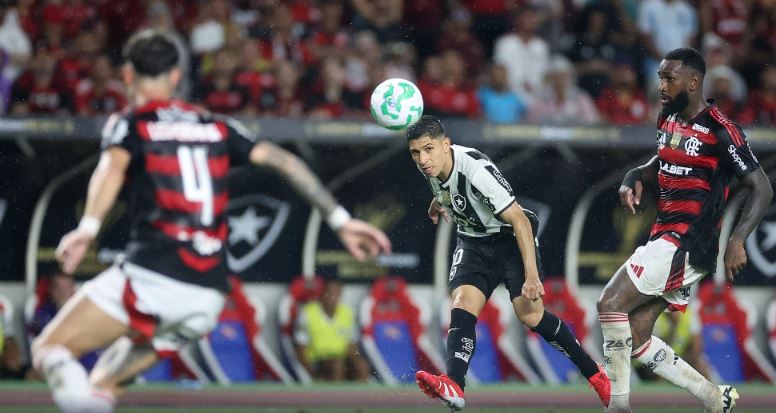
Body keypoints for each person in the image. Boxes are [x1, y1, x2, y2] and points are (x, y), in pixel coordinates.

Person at [32, 30, 391, 413]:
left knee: (49, 350)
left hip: (153, 272)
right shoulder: (215, 126)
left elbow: (111, 168)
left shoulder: (131, 123)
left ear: (126, 76)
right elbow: (285, 161)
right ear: (175, 77)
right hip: (207, 294)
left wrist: (87, 228)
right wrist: (339, 219)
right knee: (103, 384)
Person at [597, 47, 773, 413]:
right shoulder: (668, 118)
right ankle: (714, 397)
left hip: (687, 242)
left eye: (669, 78)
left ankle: (618, 405)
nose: (660, 85)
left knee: (609, 303)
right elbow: (661, 159)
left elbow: (762, 187)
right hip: (666, 237)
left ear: (693, 81)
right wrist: (635, 175)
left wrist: (738, 239)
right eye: (660, 77)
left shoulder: (721, 130)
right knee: (638, 335)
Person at [408, 115, 610, 411]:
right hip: (473, 242)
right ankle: (454, 385)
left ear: (446, 145)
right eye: (415, 152)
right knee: (462, 303)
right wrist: (439, 201)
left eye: (428, 150)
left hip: (510, 240)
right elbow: (448, 188)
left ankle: (595, 374)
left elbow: (519, 220)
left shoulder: (476, 172)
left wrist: (532, 276)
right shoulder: (431, 167)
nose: (423, 159)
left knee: (531, 317)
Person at [293, 275, 370, 382]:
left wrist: (358, 362)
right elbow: (300, 350)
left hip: (341, 359)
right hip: (317, 361)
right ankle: (335, 398)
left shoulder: (347, 312)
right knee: (336, 365)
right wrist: (312, 374)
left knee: (362, 366)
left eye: (337, 293)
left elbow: (352, 347)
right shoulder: (308, 313)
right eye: (329, 292)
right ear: (322, 293)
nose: (332, 297)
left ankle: (360, 398)